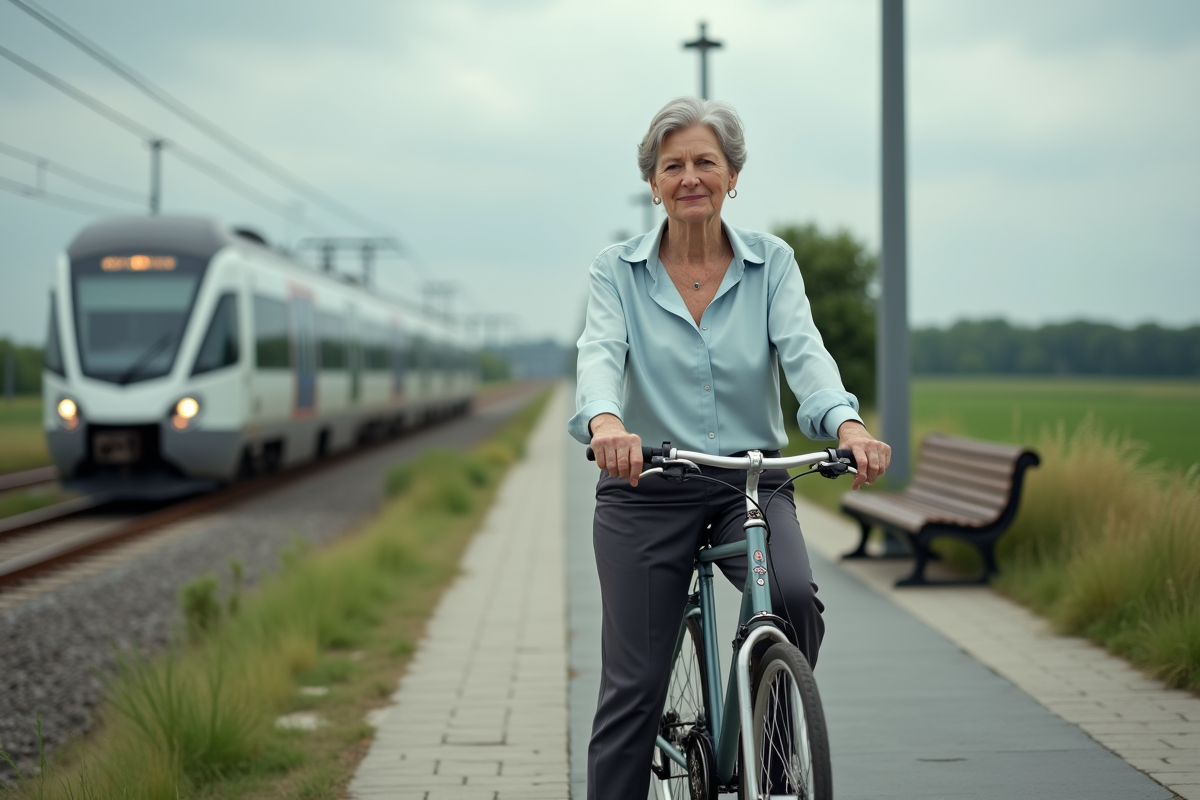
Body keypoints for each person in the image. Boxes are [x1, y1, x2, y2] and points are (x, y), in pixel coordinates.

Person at [568, 96, 892, 799]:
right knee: (635, 685)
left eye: (705, 163)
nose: (690, 176)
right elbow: (599, 353)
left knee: (796, 600)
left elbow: (806, 356)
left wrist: (847, 424)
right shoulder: (616, 270)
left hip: (747, 481)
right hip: (645, 485)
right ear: (652, 182)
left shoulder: (771, 263)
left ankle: (772, 752)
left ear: (733, 176)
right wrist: (605, 425)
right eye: (672, 164)